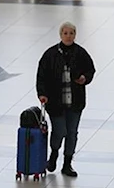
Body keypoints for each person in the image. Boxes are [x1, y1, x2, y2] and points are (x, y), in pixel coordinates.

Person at [36, 22, 95, 177]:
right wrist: (42, 93)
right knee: (60, 130)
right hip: (56, 102)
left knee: (72, 132)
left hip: (75, 102)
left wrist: (84, 78)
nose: (68, 36)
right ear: (60, 35)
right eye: (65, 33)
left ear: (75, 35)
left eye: (71, 33)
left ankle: (67, 163)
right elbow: (41, 75)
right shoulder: (50, 54)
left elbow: (90, 70)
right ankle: (54, 153)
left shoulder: (81, 53)